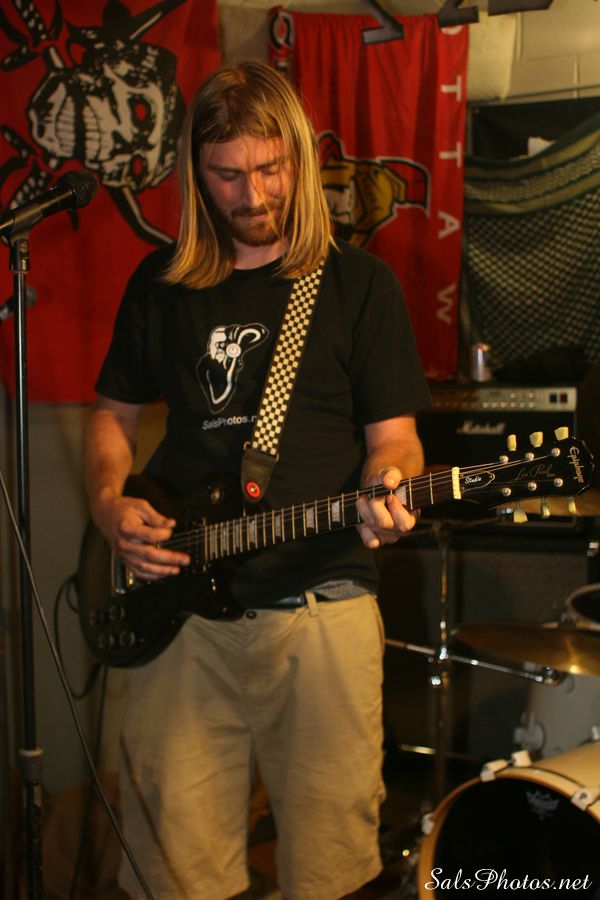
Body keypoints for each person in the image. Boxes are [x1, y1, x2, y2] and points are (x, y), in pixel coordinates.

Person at [84, 60, 431, 900]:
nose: (253, 193)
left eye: (270, 168)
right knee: (172, 870)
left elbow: (397, 442)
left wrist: (389, 483)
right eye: (228, 175)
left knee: (331, 867)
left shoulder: (358, 285)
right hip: (177, 614)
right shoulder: (160, 284)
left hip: (321, 605)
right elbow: (112, 419)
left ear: (300, 159)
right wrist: (107, 503)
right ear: (196, 175)